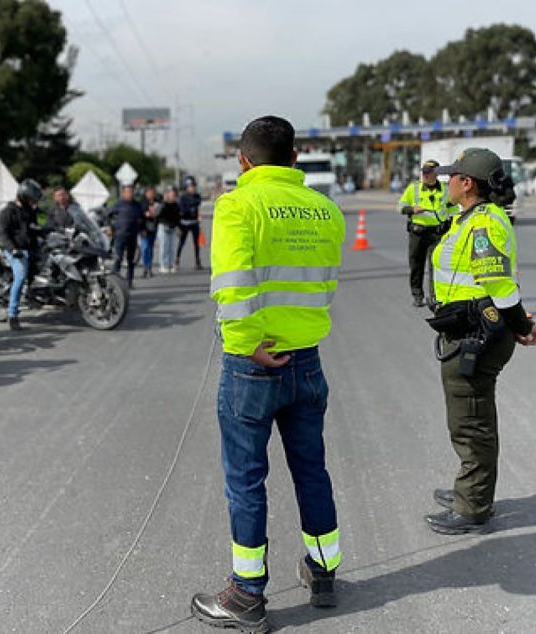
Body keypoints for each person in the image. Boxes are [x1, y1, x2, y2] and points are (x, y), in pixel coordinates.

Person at [191, 116, 346, 633]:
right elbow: (324, 287)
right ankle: (323, 573)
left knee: (246, 480)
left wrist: (247, 346)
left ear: (243, 161)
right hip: (306, 358)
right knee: (311, 471)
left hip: (253, 363)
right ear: (295, 158)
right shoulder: (325, 210)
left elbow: (232, 286)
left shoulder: (236, 205)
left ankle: (247, 595)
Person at [424, 148, 536, 535]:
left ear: (467, 183)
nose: (446, 182)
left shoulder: (482, 225)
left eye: (452, 176)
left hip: (478, 334)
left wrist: (521, 326)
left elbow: (499, 285)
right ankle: (470, 489)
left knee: (471, 421)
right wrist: (519, 323)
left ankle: (472, 506)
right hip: (470, 328)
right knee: (468, 417)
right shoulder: (471, 219)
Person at [399, 159, 456, 307]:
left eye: (428, 173)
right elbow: (401, 207)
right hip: (417, 233)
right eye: (424, 172)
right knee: (416, 266)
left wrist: (449, 226)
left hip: (437, 234)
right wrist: (412, 210)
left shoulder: (445, 189)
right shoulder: (414, 188)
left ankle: (435, 296)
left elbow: (453, 211)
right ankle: (417, 295)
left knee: (436, 266)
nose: (425, 175)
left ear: (436, 174)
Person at [0, 178, 43, 331]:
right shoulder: (7, 212)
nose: (33, 202)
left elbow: (33, 228)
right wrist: (13, 249)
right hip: (16, 250)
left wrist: (48, 230)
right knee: (21, 275)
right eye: (31, 199)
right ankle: (12, 315)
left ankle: (35, 294)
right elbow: (3, 235)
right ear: (23, 197)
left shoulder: (29, 211)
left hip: (31, 247)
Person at [109, 184, 143, 289]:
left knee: (131, 260)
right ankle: (114, 283)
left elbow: (141, 218)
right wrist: (110, 228)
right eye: (127, 192)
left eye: (131, 192)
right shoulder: (118, 204)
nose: (130, 194)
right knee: (118, 258)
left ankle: (129, 281)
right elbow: (107, 214)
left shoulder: (137, 205)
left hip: (132, 235)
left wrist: (142, 229)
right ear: (123, 193)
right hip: (120, 235)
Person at [176, 176, 204, 270]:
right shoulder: (183, 198)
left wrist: (198, 214)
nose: (192, 188)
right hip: (185, 223)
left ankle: (197, 261)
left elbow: (198, 206)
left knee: (196, 243)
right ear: (186, 187)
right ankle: (177, 260)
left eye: (193, 186)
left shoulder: (197, 196)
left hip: (194, 222)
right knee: (182, 242)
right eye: (190, 186)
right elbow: (182, 210)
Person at [156, 186, 181, 274]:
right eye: (171, 194)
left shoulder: (176, 205)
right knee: (164, 247)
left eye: (174, 195)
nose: (173, 196)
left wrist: (178, 227)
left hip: (173, 227)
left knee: (172, 247)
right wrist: (164, 202)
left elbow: (178, 217)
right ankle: (163, 265)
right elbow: (157, 215)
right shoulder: (163, 204)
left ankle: (170, 265)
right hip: (163, 227)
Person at [139, 185, 160, 278]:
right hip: (144, 228)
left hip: (153, 228)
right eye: (149, 192)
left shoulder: (157, 202)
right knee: (145, 248)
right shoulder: (142, 203)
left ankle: (149, 268)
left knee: (150, 248)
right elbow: (140, 216)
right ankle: (145, 267)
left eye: (153, 193)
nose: (151, 194)